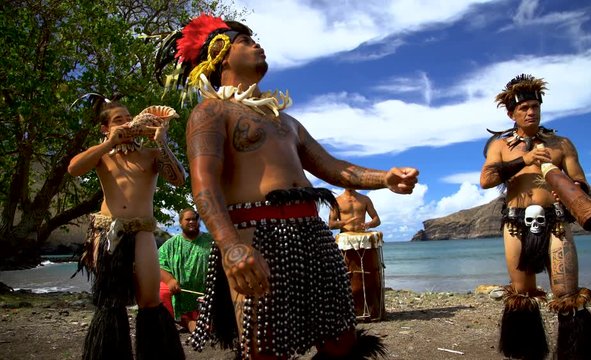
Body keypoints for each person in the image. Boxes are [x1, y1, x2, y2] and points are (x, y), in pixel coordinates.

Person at [156, 14, 418, 359]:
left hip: (313, 233)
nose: (256, 45)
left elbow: (333, 167)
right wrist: (231, 246)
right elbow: (204, 185)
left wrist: (384, 178)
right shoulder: (211, 111)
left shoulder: (287, 122)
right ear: (220, 52)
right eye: (245, 42)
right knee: (265, 348)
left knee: (341, 340)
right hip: (257, 237)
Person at [480, 74, 591, 360]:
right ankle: (526, 353)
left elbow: (581, 180)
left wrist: (575, 191)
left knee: (566, 293)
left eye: (535, 106)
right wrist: (523, 160)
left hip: (556, 221)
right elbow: (486, 179)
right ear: (511, 113)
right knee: (522, 294)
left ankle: (576, 355)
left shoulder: (561, 144)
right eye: (524, 108)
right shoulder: (500, 146)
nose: (531, 111)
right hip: (515, 222)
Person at [68, 98, 187, 360]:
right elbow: (74, 169)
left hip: (142, 229)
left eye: (128, 117)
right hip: (108, 231)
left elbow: (179, 179)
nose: (126, 122)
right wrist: (108, 143)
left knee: (149, 301)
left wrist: (162, 141)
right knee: (111, 302)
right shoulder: (102, 155)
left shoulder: (151, 154)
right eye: (118, 120)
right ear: (105, 128)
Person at [158, 208, 212, 333]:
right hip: (180, 292)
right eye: (188, 219)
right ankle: (186, 321)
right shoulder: (171, 244)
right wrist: (170, 280)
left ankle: (199, 322)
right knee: (161, 292)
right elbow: (159, 264)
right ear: (181, 222)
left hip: (207, 293)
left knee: (209, 328)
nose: (192, 222)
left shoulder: (211, 240)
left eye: (194, 219)